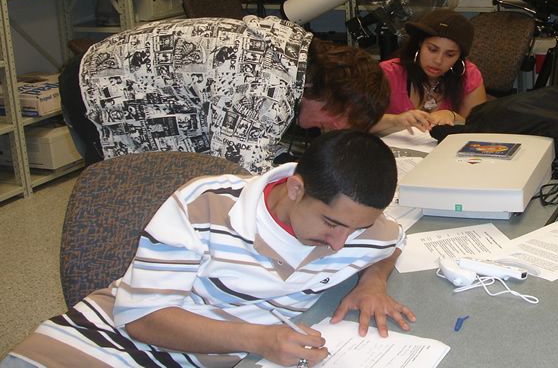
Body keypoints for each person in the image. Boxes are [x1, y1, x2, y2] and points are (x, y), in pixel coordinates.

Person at [3, 129, 413, 368]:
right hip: (99, 346)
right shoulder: (205, 203)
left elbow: (392, 241)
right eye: (331, 224)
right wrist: (260, 340)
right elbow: (141, 319)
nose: (340, 243)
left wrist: (372, 283)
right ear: (295, 188)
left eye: (356, 229)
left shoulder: (359, 226)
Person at [59, 15, 390, 174]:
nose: (327, 131)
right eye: (339, 123)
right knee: (126, 189)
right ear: (336, 99)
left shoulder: (292, 55)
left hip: (113, 71)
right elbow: (234, 171)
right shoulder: (266, 84)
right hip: (97, 89)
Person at [372, 9, 486, 133]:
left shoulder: (469, 75)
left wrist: (453, 116)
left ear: (459, 57)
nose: (438, 60)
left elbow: (480, 129)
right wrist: (395, 120)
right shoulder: (388, 73)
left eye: (450, 55)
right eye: (432, 50)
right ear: (419, 44)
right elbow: (355, 124)